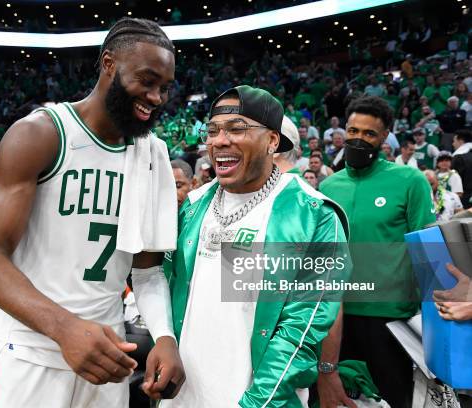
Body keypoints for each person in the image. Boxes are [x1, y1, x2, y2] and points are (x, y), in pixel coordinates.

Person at [0, 18, 184, 408]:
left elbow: (148, 272)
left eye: (165, 88)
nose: (156, 97)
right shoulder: (41, 133)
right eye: (147, 81)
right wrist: (64, 328)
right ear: (109, 65)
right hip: (29, 351)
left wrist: (165, 337)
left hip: (108, 359)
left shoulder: (153, 154)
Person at [164, 85, 349, 407]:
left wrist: (258, 402)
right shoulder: (193, 206)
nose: (219, 141)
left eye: (237, 129)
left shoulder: (314, 215)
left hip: (261, 400)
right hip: (182, 396)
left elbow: (302, 328)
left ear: (272, 141)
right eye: (212, 131)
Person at [317, 96, 435, 408]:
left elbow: (427, 248)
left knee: (393, 399)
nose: (358, 138)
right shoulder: (328, 186)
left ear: (385, 138)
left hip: (391, 319)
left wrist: (433, 315)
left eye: (369, 133)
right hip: (336, 318)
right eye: (353, 130)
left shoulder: (410, 181)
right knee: (341, 400)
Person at [452, 129, 472, 208]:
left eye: (454, 141)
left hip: (465, 199)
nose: (453, 144)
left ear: (460, 141)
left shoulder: (458, 158)